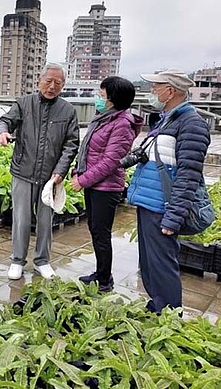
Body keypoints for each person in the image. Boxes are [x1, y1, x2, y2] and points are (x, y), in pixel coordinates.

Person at [127, 68, 210, 313]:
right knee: (150, 264)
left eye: (156, 86)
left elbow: (188, 175)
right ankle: (157, 307)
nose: (152, 91)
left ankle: (169, 316)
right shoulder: (168, 119)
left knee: (162, 265)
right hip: (149, 202)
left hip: (163, 207)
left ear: (171, 90)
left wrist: (173, 217)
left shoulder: (191, 124)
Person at [0, 63, 80, 280]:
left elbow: (71, 144)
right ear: (39, 81)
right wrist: (2, 133)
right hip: (23, 172)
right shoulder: (24, 104)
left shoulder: (68, 111)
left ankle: (42, 260)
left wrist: (60, 171)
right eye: (48, 81)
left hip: (50, 177)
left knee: (45, 220)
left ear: (63, 86)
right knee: (21, 219)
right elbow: (4, 121)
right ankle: (17, 260)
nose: (52, 86)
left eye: (57, 83)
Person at [70, 77, 144, 292]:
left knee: (101, 234)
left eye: (101, 95)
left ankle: (104, 280)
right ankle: (101, 273)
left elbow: (111, 161)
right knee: (95, 230)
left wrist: (82, 180)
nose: (98, 98)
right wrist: (78, 171)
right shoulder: (104, 118)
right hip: (95, 185)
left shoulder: (122, 124)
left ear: (112, 99)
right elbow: (90, 151)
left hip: (106, 187)